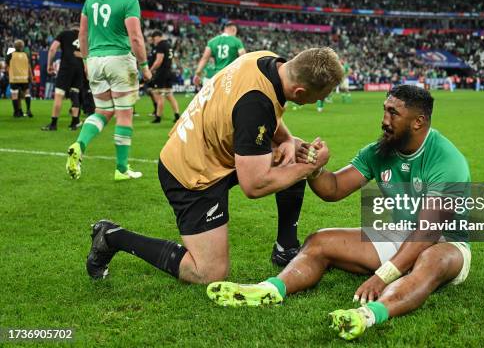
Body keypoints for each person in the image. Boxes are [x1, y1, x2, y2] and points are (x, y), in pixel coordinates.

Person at [207, 85, 471, 341]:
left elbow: (427, 233)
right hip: (402, 236)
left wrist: (382, 275)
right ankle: (269, 290)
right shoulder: (379, 151)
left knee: (431, 260)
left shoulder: (447, 160)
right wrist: (315, 169)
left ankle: (367, 316)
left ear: (418, 122)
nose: (384, 120)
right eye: (384, 110)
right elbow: (333, 189)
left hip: (445, 242)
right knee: (319, 241)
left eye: (393, 113)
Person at [85, 47, 345, 285]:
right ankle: (111, 236)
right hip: (190, 172)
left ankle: (285, 248)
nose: (321, 100)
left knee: (295, 152)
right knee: (209, 272)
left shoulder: (266, 60)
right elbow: (254, 185)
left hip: (210, 150)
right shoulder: (256, 105)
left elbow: (264, 114)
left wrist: (287, 140)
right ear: (300, 92)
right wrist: (310, 168)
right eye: (321, 96)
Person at [66, 0, 152, 181]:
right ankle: (121, 169)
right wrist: (144, 66)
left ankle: (79, 144)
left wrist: (86, 61)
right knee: (124, 114)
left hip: (94, 59)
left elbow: (82, 35)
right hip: (120, 60)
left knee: (102, 111)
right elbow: (135, 37)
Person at [42, 26, 86, 131]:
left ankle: (53, 124)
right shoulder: (85, 37)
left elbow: (53, 49)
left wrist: (49, 64)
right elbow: (88, 54)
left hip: (66, 67)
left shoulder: (65, 33)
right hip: (79, 68)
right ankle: (75, 121)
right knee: (74, 93)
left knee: (59, 94)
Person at [149, 30, 180, 123]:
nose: (154, 41)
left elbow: (159, 60)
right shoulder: (169, 44)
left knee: (160, 96)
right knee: (169, 95)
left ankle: (158, 117)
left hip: (161, 73)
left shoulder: (161, 45)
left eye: (154, 39)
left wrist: (150, 70)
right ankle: (177, 115)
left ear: (158, 36)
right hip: (169, 72)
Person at [7, 40, 33, 117]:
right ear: (22, 46)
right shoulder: (26, 54)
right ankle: (28, 110)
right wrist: (31, 76)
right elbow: (29, 66)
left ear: (15, 46)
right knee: (27, 93)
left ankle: (16, 112)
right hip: (24, 78)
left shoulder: (10, 54)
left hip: (14, 78)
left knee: (14, 95)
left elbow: (7, 65)